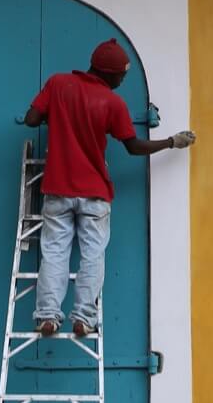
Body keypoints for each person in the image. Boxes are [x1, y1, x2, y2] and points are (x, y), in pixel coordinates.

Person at [24, 39, 194, 337]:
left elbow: (31, 119)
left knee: (53, 252)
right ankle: (83, 318)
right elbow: (133, 147)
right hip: (94, 193)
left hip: (58, 188)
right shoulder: (112, 103)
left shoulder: (58, 84)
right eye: (121, 76)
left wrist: (59, 116)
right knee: (92, 255)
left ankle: (48, 316)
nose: (122, 81)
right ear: (108, 73)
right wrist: (171, 142)